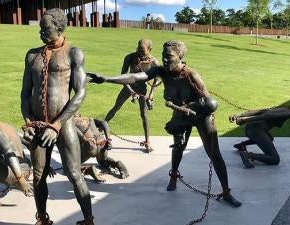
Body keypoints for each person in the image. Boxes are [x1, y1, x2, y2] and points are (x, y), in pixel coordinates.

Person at [87, 40, 242, 207]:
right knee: (177, 148)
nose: (165, 60)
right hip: (181, 112)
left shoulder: (191, 75)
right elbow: (135, 76)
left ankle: (226, 192)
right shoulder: (162, 71)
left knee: (214, 154)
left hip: (200, 114)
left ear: (180, 57)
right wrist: (107, 79)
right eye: (163, 56)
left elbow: (209, 103)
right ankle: (174, 175)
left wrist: (187, 117)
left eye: (169, 56)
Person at [20, 8, 94, 225]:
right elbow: (25, 93)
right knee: (38, 175)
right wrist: (27, 121)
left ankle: (88, 220)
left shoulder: (74, 53)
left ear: (60, 28)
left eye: (46, 28)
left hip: (63, 125)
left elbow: (80, 93)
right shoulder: (32, 55)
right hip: (38, 125)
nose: (41, 32)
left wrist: (57, 125)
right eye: (40, 28)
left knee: (74, 173)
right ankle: (42, 218)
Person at [104, 39, 159, 153]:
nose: (139, 51)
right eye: (138, 48)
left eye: (142, 50)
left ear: (150, 49)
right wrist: (130, 91)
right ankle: (100, 130)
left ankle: (147, 141)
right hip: (128, 86)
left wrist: (151, 95)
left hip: (142, 89)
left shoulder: (154, 62)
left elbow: (157, 79)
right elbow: (123, 76)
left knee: (144, 114)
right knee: (116, 108)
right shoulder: (130, 57)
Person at [229, 100, 290, 168]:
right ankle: (248, 155)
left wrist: (239, 116)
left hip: (251, 129)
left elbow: (261, 111)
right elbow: (267, 115)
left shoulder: (284, 108)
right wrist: (243, 120)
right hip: (255, 131)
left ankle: (242, 145)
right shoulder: (288, 113)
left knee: (270, 138)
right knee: (275, 159)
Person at [73, 114, 129, 180]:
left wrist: (85, 139)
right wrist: (108, 139)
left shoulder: (71, 122)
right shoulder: (89, 118)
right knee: (103, 160)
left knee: (71, 166)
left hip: (91, 146)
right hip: (102, 142)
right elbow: (104, 123)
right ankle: (117, 164)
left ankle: (89, 169)